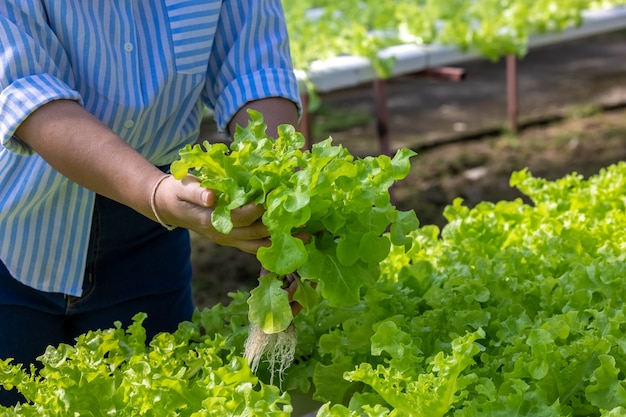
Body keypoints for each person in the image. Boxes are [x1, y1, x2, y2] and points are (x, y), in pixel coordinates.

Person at [0, 0, 301, 406]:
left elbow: (253, 66)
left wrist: (277, 198)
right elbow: (26, 86)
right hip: (14, 228)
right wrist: (155, 193)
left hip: (147, 239)